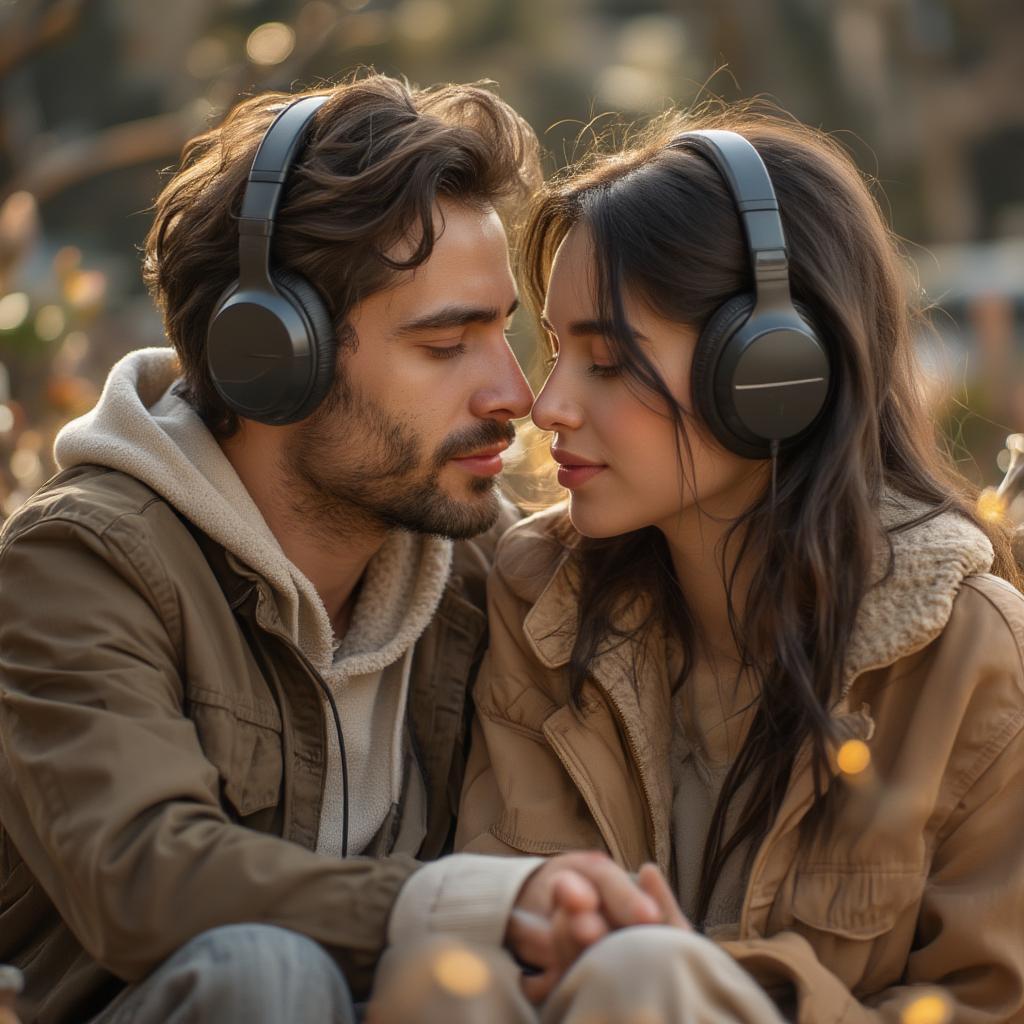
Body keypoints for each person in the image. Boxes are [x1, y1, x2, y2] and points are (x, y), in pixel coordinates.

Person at [0, 74, 666, 1024]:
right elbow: (145, 878)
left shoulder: (480, 574)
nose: (514, 395)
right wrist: (480, 908)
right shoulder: (79, 564)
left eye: (505, 336)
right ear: (273, 358)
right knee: (266, 974)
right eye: (447, 346)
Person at [450, 106, 1024, 1022]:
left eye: (607, 359)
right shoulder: (536, 595)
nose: (547, 405)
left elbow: (989, 1003)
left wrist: (698, 984)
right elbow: (493, 950)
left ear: (770, 371)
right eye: (557, 352)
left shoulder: (973, 657)